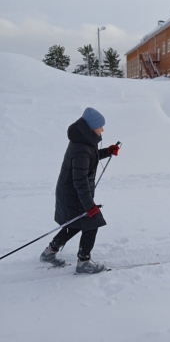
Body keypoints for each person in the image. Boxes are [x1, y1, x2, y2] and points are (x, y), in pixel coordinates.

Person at [40, 107, 119, 274]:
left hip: (70, 192)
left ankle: (49, 252)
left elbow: (89, 156)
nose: (102, 130)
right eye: (100, 126)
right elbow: (80, 180)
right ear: (91, 127)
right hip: (74, 193)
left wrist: (107, 151)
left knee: (75, 223)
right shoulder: (81, 147)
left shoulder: (83, 141)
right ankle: (83, 262)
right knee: (92, 222)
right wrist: (90, 206)